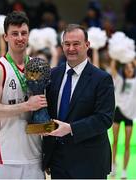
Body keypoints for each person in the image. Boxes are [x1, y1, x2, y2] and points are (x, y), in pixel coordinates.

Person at [43, 24, 115, 179]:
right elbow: (47, 113)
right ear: (62, 46)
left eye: (76, 44)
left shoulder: (102, 79)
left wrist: (70, 128)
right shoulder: (53, 75)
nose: (71, 48)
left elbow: (104, 119)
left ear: (87, 45)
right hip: (58, 162)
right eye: (67, 44)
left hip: (90, 163)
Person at [0, 11, 47, 179]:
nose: (20, 38)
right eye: (14, 34)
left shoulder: (37, 67)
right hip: (4, 159)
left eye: (24, 33)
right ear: (5, 37)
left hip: (34, 157)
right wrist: (26, 105)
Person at [110, 59, 135, 179]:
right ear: (124, 70)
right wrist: (117, 55)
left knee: (127, 144)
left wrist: (131, 57)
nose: (129, 70)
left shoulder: (135, 82)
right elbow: (113, 68)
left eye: (131, 68)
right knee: (114, 142)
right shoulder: (119, 80)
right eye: (127, 68)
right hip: (118, 113)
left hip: (130, 115)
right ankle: (113, 165)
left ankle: (124, 170)